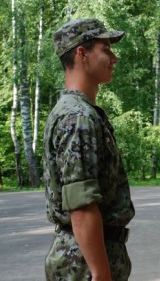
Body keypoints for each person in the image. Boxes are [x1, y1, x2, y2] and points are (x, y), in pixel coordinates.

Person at [43, 18, 135, 281]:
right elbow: (81, 204)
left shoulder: (76, 111)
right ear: (81, 53)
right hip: (84, 263)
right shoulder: (78, 117)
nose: (114, 58)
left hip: (84, 258)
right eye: (106, 49)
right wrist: (100, 273)